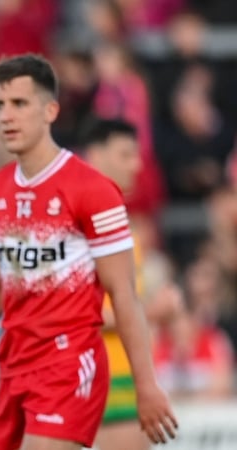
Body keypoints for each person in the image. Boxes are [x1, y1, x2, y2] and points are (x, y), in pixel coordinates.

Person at [0, 54, 177, 450]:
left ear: (50, 110)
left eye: (19, 103)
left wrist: (146, 385)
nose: (6, 115)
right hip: (14, 364)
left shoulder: (93, 190)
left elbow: (124, 294)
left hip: (69, 361)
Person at [81, 118, 184, 450]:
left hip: (124, 373)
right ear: (95, 155)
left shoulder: (119, 222)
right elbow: (80, 313)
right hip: (103, 376)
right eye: (125, 154)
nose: (137, 165)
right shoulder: (83, 223)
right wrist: (154, 311)